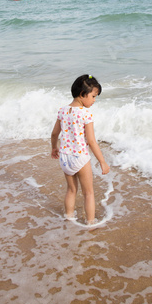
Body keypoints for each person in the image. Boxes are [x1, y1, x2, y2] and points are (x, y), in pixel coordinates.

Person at [51, 74, 110, 224]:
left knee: (71, 190)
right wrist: (102, 161)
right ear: (83, 94)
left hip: (65, 157)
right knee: (88, 193)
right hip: (80, 157)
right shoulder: (85, 114)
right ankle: (90, 223)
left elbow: (54, 133)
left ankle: (68, 217)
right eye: (93, 96)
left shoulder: (62, 111)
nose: (94, 100)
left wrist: (54, 148)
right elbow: (91, 141)